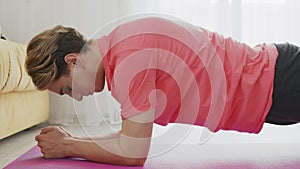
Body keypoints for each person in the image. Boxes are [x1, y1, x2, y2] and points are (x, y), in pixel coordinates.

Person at [25, 17, 299, 166]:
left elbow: (132, 152)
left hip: (281, 82)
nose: (76, 97)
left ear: (73, 61)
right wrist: (72, 140)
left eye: (67, 89)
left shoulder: (127, 64)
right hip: (276, 83)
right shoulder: (121, 45)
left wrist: (68, 146)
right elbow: (128, 136)